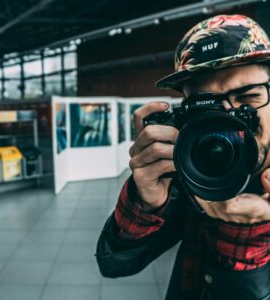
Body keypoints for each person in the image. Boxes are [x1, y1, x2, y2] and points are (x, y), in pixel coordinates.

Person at [95, 14, 270, 300]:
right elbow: (114, 266)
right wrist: (145, 204)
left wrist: (248, 241)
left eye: (247, 98)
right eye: (208, 107)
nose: (227, 120)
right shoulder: (191, 173)